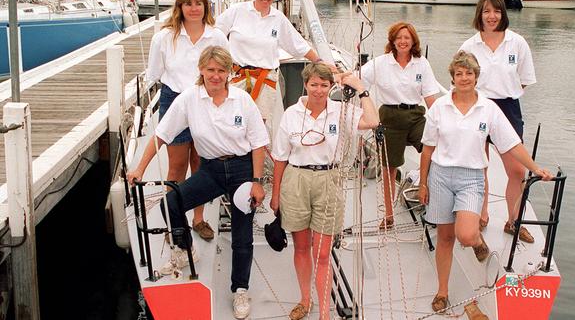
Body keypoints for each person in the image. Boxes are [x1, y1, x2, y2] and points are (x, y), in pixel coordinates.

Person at [129, 47, 269, 319]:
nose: (216, 76)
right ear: (202, 70)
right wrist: (139, 168)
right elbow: (161, 135)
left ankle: (240, 289)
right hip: (212, 170)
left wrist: (257, 181)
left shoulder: (242, 100)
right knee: (172, 201)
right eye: (211, 70)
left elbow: (258, 144)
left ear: (229, 73)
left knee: (242, 236)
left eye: (221, 71)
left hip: (242, 170)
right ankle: (184, 248)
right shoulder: (188, 100)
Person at [418, 51, 552, 313]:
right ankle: (442, 291)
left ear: (476, 76)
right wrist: (423, 184)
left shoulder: (488, 108)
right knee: (445, 238)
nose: (464, 78)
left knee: (465, 234)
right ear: (452, 77)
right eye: (459, 73)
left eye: (469, 73)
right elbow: (427, 149)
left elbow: (511, 143)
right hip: (441, 176)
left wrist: (535, 168)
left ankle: (477, 242)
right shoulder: (440, 107)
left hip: (471, 178)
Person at [270, 63, 379, 320]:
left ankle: (325, 313)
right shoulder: (291, 114)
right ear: (305, 85)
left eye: (324, 85)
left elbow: (373, 121)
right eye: (314, 84)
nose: (319, 90)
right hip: (296, 179)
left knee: (322, 252)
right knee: (301, 247)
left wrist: (361, 89)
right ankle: (304, 300)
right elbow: (280, 158)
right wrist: (276, 195)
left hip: (329, 179)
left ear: (332, 87)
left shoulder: (341, 111)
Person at [146, 0, 229, 242]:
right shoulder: (163, 37)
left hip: (206, 99)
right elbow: (155, 74)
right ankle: (175, 220)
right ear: (180, 7)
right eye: (188, 4)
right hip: (175, 99)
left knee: (201, 165)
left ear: (206, 7)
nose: (194, 9)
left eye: (199, 3)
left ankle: (198, 219)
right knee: (177, 165)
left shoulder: (216, 36)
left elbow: (225, 72)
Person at [459, 0, 538, 243]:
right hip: (477, 107)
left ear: (503, 14)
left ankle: (513, 221)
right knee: (478, 167)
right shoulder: (469, 46)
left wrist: (505, 94)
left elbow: (524, 80)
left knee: (516, 170)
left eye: (497, 11)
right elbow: (460, 80)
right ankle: (482, 215)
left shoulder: (517, 43)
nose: (492, 16)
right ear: (479, 15)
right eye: (486, 11)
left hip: (508, 108)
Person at [360, 22, 440, 230]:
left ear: (413, 41)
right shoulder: (381, 63)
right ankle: (388, 215)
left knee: (436, 153)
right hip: (390, 117)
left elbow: (431, 97)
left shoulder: (421, 64)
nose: (403, 41)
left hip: (415, 115)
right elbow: (359, 80)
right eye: (399, 38)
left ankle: (428, 193)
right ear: (392, 41)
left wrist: (445, 123)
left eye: (407, 37)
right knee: (389, 168)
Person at [216, 0, 327, 121]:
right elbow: (215, 35)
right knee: (234, 121)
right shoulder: (237, 11)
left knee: (262, 126)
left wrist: (320, 62)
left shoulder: (278, 18)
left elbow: (298, 45)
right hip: (238, 78)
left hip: (265, 82)